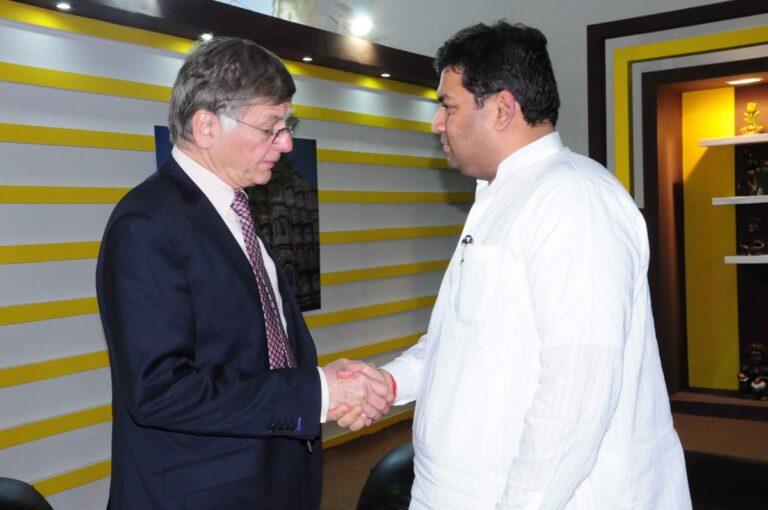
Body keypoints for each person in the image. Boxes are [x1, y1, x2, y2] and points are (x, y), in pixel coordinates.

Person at [373, 22, 692, 509]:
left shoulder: (572, 199)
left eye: (447, 105)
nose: (437, 123)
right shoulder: (503, 195)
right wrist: (389, 382)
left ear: (502, 108)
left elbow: (579, 388)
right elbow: (463, 342)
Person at [96, 37, 392, 510]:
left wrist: (316, 381)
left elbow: (251, 352)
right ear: (206, 126)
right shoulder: (147, 224)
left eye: (287, 124)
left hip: (268, 478)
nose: (288, 142)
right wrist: (313, 393)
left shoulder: (235, 211)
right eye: (271, 126)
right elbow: (160, 390)